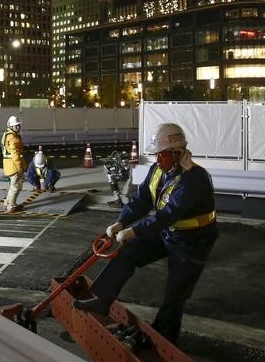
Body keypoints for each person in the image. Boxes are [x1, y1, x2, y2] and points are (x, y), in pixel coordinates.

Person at [72, 123, 218, 344]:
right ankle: (102, 299)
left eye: (161, 155)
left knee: (176, 292)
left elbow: (168, 214)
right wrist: (121, 223)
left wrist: (133, 231)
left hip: (193, 240)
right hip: (168, 232)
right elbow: (141, 200)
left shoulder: (194, 178)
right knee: (127, 253)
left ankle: (162, 339)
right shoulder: (159, 170)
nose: (157, 160)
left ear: (177, 153)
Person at [1, 115, 26, 213]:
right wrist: (19, 166)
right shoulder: (12, 137)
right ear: (11, 127)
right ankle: (11, 206)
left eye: (19, 125)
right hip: (13, 166)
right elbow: (15, 153)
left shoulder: (7, 134)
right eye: (16, 126)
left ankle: (8, 203)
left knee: (13, 186)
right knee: (16, 186)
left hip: (9, 165)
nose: (18, 127)